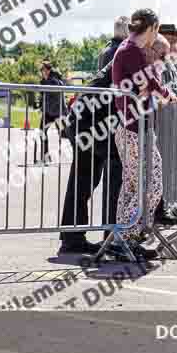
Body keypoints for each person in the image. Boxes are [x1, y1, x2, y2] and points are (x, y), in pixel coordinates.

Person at [110, 8, 175, 261]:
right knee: (152, 184)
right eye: (156, 30)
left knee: (132, 187)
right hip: (134, 129)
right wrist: (167, 95)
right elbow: (147, 83)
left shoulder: (128, 49)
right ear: (152, 28)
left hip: (132, 128)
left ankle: (123, 240)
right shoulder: (131, 51)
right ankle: (125, 238)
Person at [58, 61, 122, 255]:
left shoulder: (127, 51)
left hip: (91, 123)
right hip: (90, 125)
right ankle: (107, 238)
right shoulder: (129, 52)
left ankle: (73, 239)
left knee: (82, 183)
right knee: (84, 183)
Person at [37, 61, 66, 164]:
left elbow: (53, 92)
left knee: (67, 134)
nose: (41, 71)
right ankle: (46, 157)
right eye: (41, 70)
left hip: (57, 112)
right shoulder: (46, 80)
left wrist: (44, 82)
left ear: (47, 70)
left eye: (43, 69)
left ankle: (81, 154)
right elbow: (43, 95)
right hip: (49, 112)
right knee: (42, 132)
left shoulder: (54, 80)